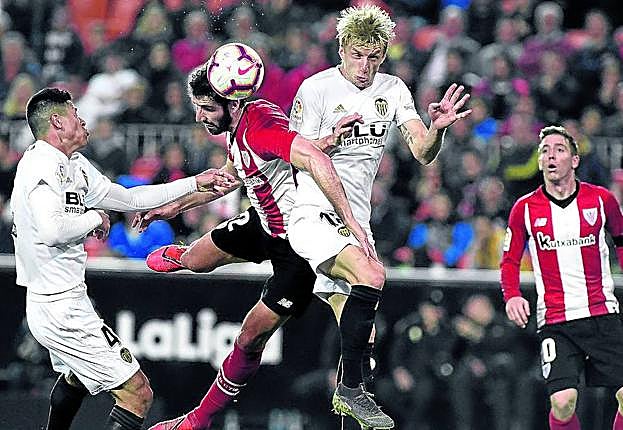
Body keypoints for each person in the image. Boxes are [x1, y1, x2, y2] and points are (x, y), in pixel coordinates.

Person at [140, 62, 370, 430]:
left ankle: (199, 420)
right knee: (196, 261)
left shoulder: (260, 126)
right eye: (197, 107)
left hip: (297, 248)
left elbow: (309, 157)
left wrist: (349, 218)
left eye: (206, 108)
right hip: (263, 221)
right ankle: (185, 256)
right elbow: (231, 176)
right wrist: (173, 207)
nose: (199, 116)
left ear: (232, 103)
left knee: (249, 338)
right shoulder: (240, 126)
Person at [286, 5, 471, 428]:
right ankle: (350, 392)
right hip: (315, 211)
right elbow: (294, 155)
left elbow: (423, 153)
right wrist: (327, 141)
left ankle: (348, 401)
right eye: (357, 55)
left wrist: (438, 128)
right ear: (341, 48)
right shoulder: (316, 89)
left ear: (384, 54)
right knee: (371, 275)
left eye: (373, 56)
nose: (365, 66)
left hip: (357, 221)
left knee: (361, 335)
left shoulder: (394, 89)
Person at [11, 87, 236, 430]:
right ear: (57, 122)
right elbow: (52, 231)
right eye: (75, 113)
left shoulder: (73, 165)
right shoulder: (41, 166)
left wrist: (195, 183)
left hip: (60, 301)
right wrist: (94, 218)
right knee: (138, 394)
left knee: (77, 376)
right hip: (58, 306)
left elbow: (131, 198)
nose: (83, 120)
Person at [500, 125, 623, 430]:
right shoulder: (524, 208)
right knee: (563, 402)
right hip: (556, 320)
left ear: (575, 160)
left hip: (601, 313)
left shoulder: (602, 200)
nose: (551, 156)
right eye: (545, 151)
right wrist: (512, 295)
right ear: (540, 161)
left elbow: (621, 242)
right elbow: (510, 259)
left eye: (559, 149)